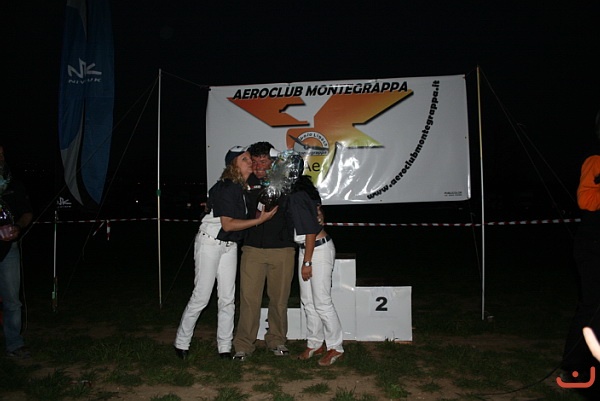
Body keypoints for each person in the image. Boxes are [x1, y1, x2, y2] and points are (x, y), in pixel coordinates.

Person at [174, 146, 277, 360]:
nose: (250, 162)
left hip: (230, 246)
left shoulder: (242, 188)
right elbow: (228, 224)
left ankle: (224, 347)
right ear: (233, 165)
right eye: (244, 159)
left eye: (249, 158)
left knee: (228, 299)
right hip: (210, 243)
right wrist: (260, 220)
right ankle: (182, 342)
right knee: (201, 296)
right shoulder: (227, 187)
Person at [232, 142, 296, 360]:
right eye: (255, 161)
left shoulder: (286, 180)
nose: (259, 166)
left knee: (279, 300)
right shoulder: (244, 182)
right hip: (252, 249)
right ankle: (243, 345)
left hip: (283, 249)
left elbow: (304, 198)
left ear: (272, 161)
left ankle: (277, 340)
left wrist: (317, 209)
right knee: (249, 300)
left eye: (263, 161)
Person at [288, 175, 344, 366]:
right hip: (307, 249)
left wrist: (307, 262)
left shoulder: (297, 196)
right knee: (308, 301)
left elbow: (310, 231)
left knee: (321, 301)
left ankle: (336, 346)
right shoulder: (301, 194)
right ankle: (315, 343)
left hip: (317, 250)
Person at [561, 110, 600, 382]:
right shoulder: (595, 160)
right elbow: (585, 200)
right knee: (593, 306)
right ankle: (575, 367)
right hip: (593, 244)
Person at [0, 144, 33, 358]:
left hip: (8, 249)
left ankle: (14, 344)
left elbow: (27, 213)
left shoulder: (13, 183)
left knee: (12, 300)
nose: (0, 157)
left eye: (2, 153)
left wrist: (18, 227)